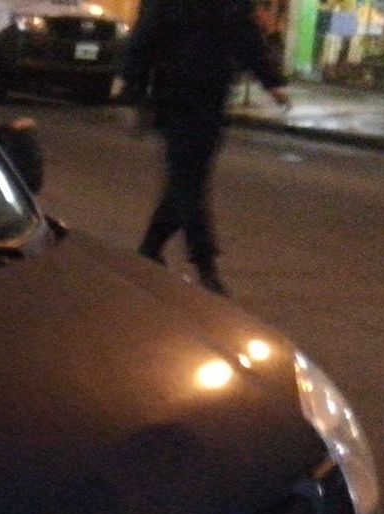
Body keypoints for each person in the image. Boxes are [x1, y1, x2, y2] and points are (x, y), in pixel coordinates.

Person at [120, 0, 289, 296]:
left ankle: (150, 248)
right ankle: (204, 263)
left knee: (185, 181)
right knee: (189, 182)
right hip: (177, 100)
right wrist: (133, 88)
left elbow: (245, 38)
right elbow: (144, 39)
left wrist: (270, 81)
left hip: (208, 101)